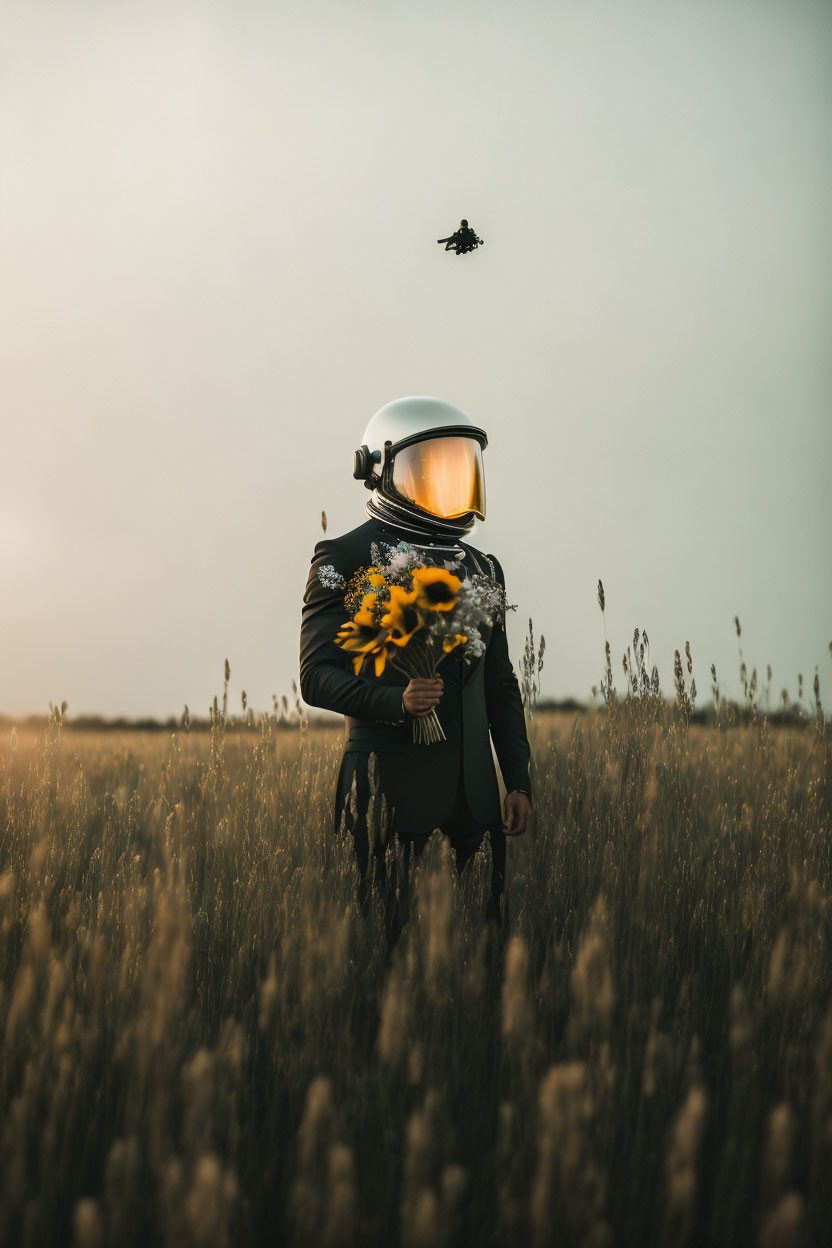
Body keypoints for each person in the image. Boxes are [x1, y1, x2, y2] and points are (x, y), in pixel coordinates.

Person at [299, 396, 532, 925]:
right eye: (429, 469)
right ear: (378, 468)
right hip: (386, 794)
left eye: (458, 469)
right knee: (383, 950)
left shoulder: (482, 567)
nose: (446, 484)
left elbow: (500, 685)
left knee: (479, 953)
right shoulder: (344, 557)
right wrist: (395, 701)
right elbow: (315, 677)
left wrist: (516, 781)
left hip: (476, 801)